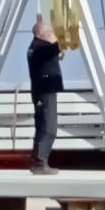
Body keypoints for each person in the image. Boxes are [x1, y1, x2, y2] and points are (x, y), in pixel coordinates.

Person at [28, 14, 63, 175]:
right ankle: (41, 163)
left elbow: (56, 52)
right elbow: (57, 47)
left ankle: (38, 162)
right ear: (40, 35)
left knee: (41, 126)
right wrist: (58, 38)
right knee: (49, 127)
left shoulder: (35, 47)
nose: (51, 35)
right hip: (45, 90)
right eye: (49, 33)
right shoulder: (41, 47)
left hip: (41, 90)